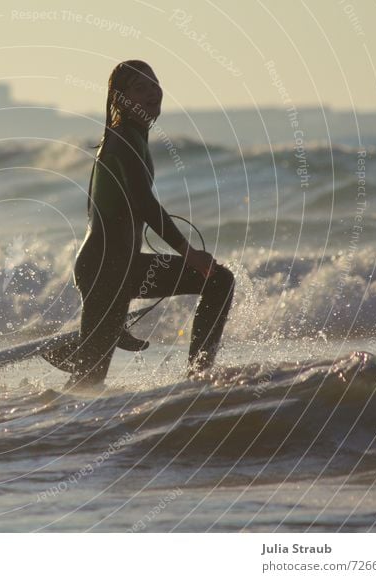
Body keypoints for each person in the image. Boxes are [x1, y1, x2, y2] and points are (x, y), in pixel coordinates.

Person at [65, 60, 235, 388]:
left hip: (119, 268)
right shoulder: (121, 143)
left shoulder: (131, 139)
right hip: (105, 268)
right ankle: (56, 430)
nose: (151, 91)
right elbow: (145, 203)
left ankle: (199, 376)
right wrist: (188, 253)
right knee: (87, 381)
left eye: (154, 84)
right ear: (120, 99)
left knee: (219, 282)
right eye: (139, 87)